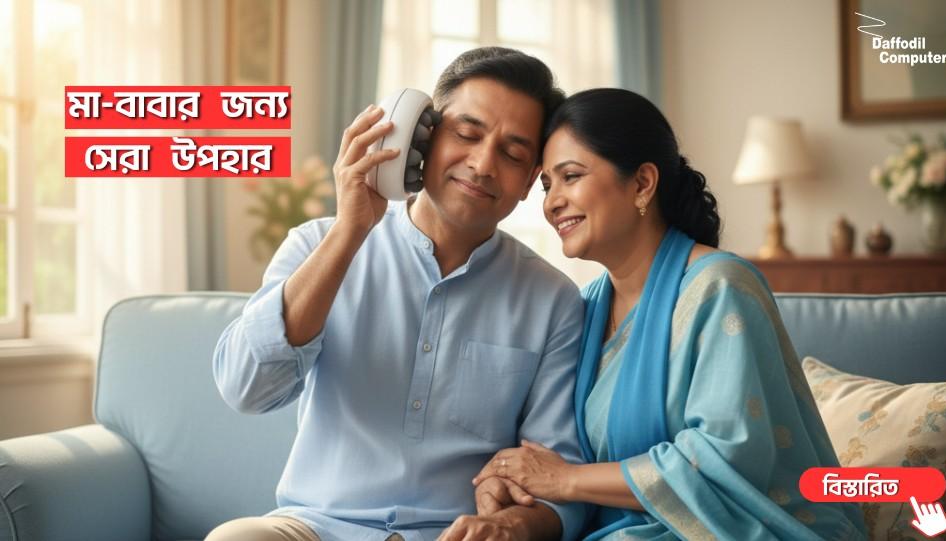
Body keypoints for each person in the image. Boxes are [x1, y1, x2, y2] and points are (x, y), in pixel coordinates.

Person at [207, 47, 587, 541]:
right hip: (316, 527)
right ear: (421, 138)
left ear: (529, 182)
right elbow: (246, 388)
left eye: (513, 154)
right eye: (467, 135)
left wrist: (508, 526)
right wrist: (348, 233)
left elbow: (557, 478)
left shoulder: (553, 300)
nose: (482, 164)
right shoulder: (313, 244)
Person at [472, 88, 868, 540]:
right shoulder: (583, 307)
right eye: (547, 185)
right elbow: (554, 446)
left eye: (571, 176)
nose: (551, 202)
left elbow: (724, 456)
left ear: (642, 183)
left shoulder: (720, 287)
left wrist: (566, 480)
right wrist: (509, 478)